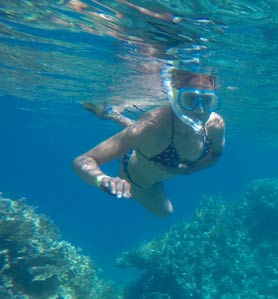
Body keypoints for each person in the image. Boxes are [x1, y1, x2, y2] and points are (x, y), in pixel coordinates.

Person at [72, 69, 225, 217]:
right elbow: (82, 160)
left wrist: (191, 169)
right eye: (190, 98)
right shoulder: (151, 126)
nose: (199, 110)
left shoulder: (215, 125)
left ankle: (112, 114)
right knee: (165, 212)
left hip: (152, 144)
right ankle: (112, 116)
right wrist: (102, 179)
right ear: (174, 97)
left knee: (145, 135)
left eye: (207, 100)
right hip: (137, 181)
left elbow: (216, 154)